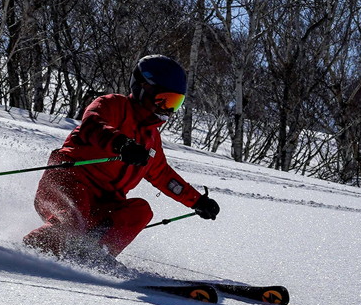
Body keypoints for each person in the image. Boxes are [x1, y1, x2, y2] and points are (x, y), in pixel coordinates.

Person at [23, 54, 220, 266]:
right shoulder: (113, 105)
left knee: (140, 211)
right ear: (144, 88)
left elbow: (163, 175)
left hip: (103, 202)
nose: (168, 110)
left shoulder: (151, 139)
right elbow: (93, 125)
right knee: (74, 217)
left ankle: (95, 256)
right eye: (164, 100)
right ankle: (31, 251)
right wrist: (121, 144)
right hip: (67, 183)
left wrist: (197, 201)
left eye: (175, 103)